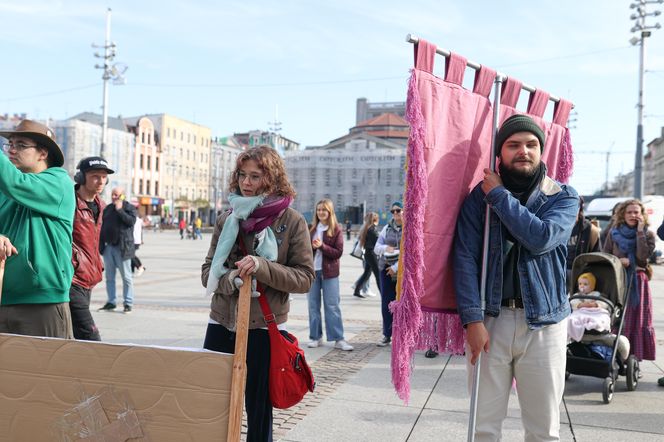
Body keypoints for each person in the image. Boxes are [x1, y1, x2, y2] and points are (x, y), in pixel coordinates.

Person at [454, 114, 578, 441]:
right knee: (483, 426)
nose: (523, 151)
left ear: (541, 150)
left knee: (543, 429)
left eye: (531, 144)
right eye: (513, 145)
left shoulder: (562, 196)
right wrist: (472, 321)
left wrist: (499, 196)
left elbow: (540, 238)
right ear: (500, 153)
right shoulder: (477, 199)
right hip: (491, 320)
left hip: (545, 324)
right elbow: (464, 257)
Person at [201, 145, 314, 441]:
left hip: (264, 326)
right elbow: (206, 273)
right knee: (213, 403)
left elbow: (304, 278)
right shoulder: (228, 218)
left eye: (255, 176)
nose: (247, 183)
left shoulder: (291, 221)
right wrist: (232, 280)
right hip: (222, 320)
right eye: (242, 175)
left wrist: (262, 267)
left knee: (259, 408)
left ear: (273, 178)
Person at [0, 119, 75, 338]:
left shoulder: (59, 182)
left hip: (43, 300)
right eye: (9, 144)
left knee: (49, 370)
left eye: (21, 145)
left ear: (43, 153)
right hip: (5, 296)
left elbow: (16, 183)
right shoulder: (6, 188)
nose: (11, 150)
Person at [603, 199, 656, 363]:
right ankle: (616, 356)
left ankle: (634, 359)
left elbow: (642, 259)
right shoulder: (613, 233)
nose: (633, 215)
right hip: (617, 280)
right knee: (618, 318)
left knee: (637, 320)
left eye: (636, 212)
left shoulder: (648, 234)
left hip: (638, 282)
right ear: (622, 214)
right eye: (629, 212)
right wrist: (618, 261)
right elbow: (605, 256)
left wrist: (640, 232)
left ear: (642, 215)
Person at [70, 156, 115, 340]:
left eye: (104, 177)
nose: (101, 181)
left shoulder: (102, 207)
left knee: (75, 335)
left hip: (88, 279)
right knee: (91, 338)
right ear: (81, 177)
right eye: (95, 176)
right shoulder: (69, 203)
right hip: (71, 279)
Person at [306, 199, 353, 351]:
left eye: (324, 210)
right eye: (318, 210)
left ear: (329, 212)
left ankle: (338, 339)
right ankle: (315, 337)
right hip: (313, 272)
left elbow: (338, 253)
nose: (321, 212)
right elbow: (305, 251)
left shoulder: (336, 229)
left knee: (332, 306)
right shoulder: (312, 229)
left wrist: (322, 247)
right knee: (313, 306)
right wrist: (312, 248)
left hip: (330, 273)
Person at [567, 272, 630, 361]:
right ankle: (580, 326)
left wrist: (595, 304)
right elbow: (574, 304)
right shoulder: (577, 295)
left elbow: (604, 304)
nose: (582, 286)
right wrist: (583, 305)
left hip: (596, 312)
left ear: (592, 285)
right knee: (572, 318)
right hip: (581, 312)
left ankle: (594, 325)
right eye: (580, 284)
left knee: (600, 319)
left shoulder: (598, 295)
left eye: (586, 284)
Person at [99, 187, 137, 313]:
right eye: (113, 194)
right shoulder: (108, 209)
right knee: (109, 277)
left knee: (126, 277)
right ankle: (111, 302)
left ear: (123, 196)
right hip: (109, 247)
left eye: (117, 195)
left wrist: (120, 210)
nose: (114, 197)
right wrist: (101, 246)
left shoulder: (129, 208)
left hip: (123, 248)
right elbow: (102, 227)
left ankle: (128, 303)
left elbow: (131, 222)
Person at [373, 201, 404, 347]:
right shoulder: (387, 228)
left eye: (398, 210)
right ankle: (387, 333)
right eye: (393, 211)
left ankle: (401, 334)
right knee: (386, 302)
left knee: (402, 303)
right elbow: (376, 247)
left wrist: (396, 268)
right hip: (385, 269)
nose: (395, 214)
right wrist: (386, 247)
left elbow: (410, 253)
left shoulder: (410, 228)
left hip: (402, 272)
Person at [566, 195, 600, 291]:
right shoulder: (558, 225)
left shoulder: (590, 229)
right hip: (559, 272)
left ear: (579, 207)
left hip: (581, 274)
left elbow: (597, 255)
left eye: (573, 206)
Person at [352, 212, 380, 299]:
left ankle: (357, 290)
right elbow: (378, 242)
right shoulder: (372, 230)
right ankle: (383, 293)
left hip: (368, 254)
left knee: (367, 273)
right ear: (376, 220)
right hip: (372, 254)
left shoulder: (366, 228)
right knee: (378, 274)